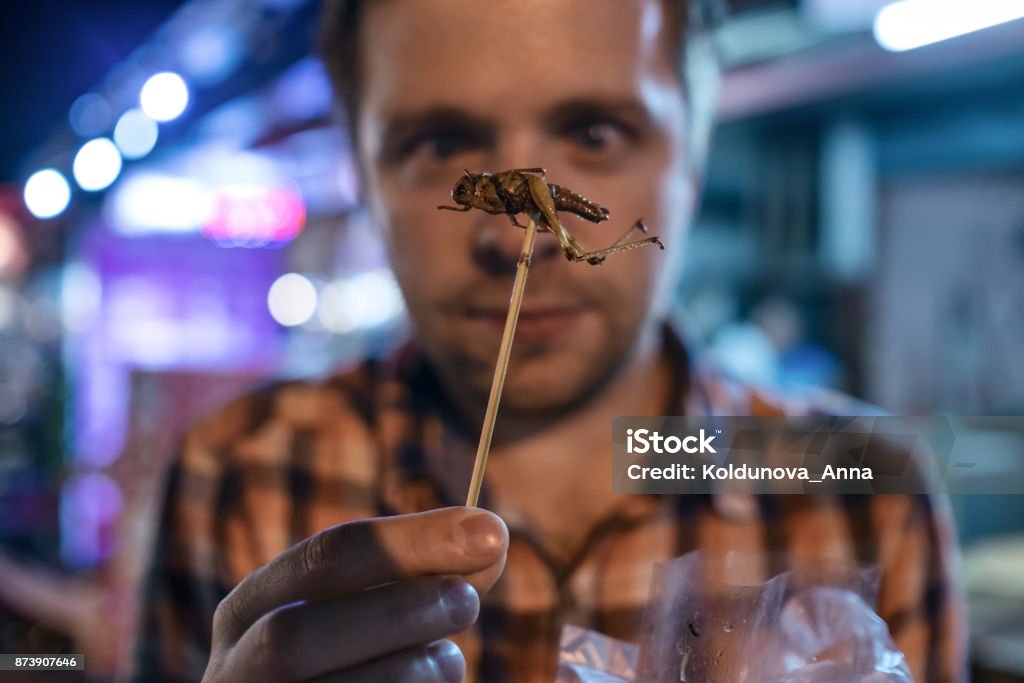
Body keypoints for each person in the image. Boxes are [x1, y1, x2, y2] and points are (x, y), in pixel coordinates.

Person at [135, 1, 966, 681]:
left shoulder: (867, 494)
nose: (520, 239)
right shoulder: (236, 475)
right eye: (439, 143)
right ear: (360, 169)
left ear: (693, 156)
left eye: (596, 133)